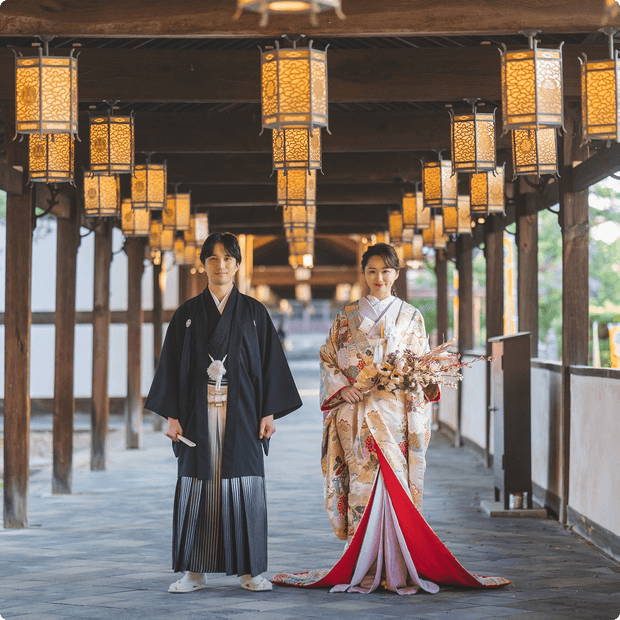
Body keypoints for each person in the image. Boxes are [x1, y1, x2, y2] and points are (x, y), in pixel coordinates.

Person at [272, 243, 509, 594]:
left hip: (397, 413)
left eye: (386, 271)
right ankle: (364, 562)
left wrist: (420, 377)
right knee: (362, 487)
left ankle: (399, 560)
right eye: (371, 271)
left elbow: (423, 363)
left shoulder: (411, 316)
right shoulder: (346, 316)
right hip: (357, 413)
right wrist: (342, 388)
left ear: (396, 274)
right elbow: (328, 358)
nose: (379, 277)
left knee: (396, 485)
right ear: (364, 274)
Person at [145, 232, 302, 594]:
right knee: (198, 487)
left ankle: (250, 571)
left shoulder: (254, 313)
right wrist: (171, 415)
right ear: (203, 265)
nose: (220, 266)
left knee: (243, 485)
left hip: (243, 414)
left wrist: (269, 413)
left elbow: (269, 365)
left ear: (237, 265)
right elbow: (169, 366)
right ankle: (194, 572)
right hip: (197, 415)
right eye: (213, 259)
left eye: (228, 259)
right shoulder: (186, 314)